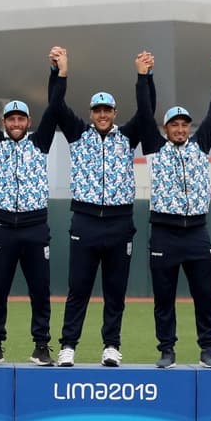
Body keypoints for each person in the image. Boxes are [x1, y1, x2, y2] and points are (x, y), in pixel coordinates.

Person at [51, 47, 155, 367]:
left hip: (119, 222)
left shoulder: (127, 136)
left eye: (107, 110)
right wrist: (60, 72)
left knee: (114, 291)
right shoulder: (79, 134)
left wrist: (144, 76)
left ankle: (111, 345)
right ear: (91, 112)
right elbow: (56, 105)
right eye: (97, 110)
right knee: (78, 288)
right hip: (85, 220)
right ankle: (68, 345)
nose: (102, 115)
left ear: (114, 111)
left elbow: (148, 110)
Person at [0, 47, 61, 366]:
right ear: (3, 122)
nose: (16, 123)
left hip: (34, 228)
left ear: (28, 121)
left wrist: (57, 72)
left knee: (40, 291)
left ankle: (42, 345)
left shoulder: (39, 143)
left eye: (21, 118)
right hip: (2, 229)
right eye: (11, 118)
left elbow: (56, 106)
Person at [139, 57, 211, 369]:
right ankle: (167, 350)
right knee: (164, 299)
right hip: (164, 233)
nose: (180, 129)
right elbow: (143, 109)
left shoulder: (200, 145)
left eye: (184, 124)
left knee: (204, 295)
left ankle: (208, 349)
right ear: (165, 129)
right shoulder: (154, 147)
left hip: (196, 232)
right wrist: (145, 76)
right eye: (174, 125)